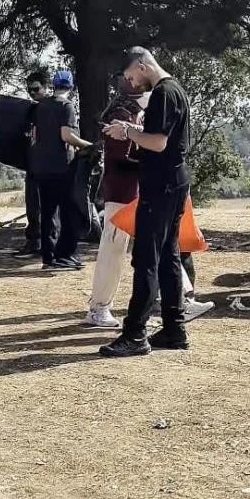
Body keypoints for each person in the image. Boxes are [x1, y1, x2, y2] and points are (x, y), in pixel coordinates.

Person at [84, 76, 212, 329]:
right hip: (122, 191)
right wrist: (148, 148)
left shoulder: (137, 115)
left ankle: (182, 299)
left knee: (162, 245)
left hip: (142, 189)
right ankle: (99, 307)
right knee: (114, 248)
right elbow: (123, 155)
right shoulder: (121, 115)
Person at [100, 47, 191, 356]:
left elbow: (158, 142)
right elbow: (158, 133)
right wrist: (130, 130)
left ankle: (135, 333)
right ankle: (175, 329)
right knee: (168, 256)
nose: (130, 83)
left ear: (142, 65)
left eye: (130, 77)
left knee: (147, 259)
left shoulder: (163, 93)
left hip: (161, 184)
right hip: (173, 181)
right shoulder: (175, 89)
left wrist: (127, 131)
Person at [30, 70, 92, 270]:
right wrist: (88, 146)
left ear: (54, 85)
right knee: (68, 211)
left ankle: (48, 257)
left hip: (41, 167)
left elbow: (34, 135)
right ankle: (65, 255)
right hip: (62, 167)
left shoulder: (41, 106)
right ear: (71, 87)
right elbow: (66, 135)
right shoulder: (67, 106)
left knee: (48, 213)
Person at [15, 69, 53, 258]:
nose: (32, 93)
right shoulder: (31, 110)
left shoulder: (55, 108)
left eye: (36, 89)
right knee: (32, 205)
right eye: (29, 90)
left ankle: (48, 243)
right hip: (32, 164)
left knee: (48, 207)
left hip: (49, 166)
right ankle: (33, 241)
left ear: (46, 88)